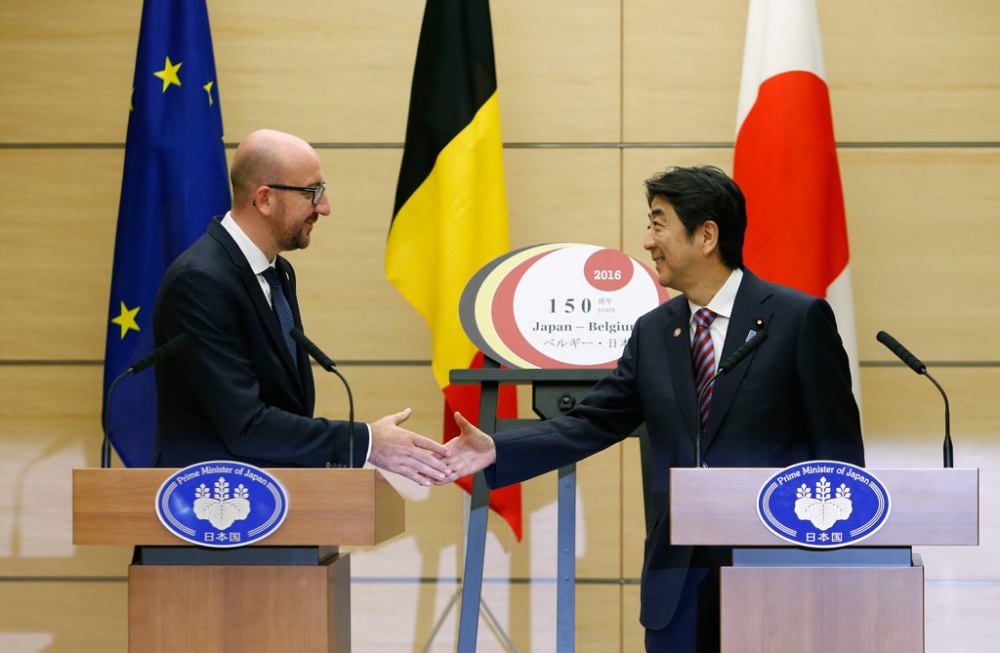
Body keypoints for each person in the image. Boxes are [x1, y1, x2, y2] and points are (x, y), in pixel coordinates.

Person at [442, 166, 865, 652]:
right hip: (677, 584)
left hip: (777, 574)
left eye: (659, 223)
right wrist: (496, 448)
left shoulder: (797, 320)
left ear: (707, 235)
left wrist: (838, 569)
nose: (647, 241)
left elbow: (841, 458)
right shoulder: (654, 332)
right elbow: (591, 422)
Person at [152, 129, 452, 486]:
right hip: (206, 514)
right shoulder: (200, 281)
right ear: (264, 199)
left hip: (274, 504)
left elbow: (283, 406)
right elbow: (245, 425)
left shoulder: (278, 273)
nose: (324, 207)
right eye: (313, 192)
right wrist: (366, 442)